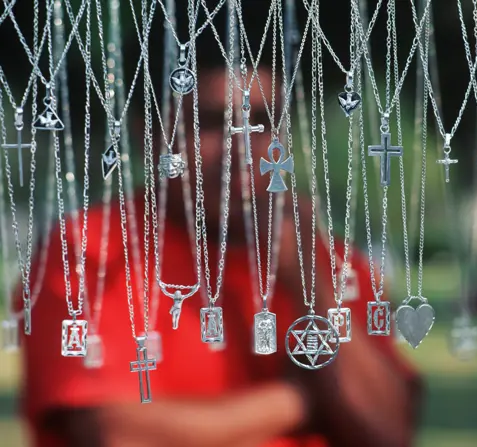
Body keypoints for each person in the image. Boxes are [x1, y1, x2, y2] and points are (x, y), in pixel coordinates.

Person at [17, 5, 422, 447]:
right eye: (211, 123)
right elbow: (115, 434)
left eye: (263, 122)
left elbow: (388, 431)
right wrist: (303, 398)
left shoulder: (333, 261)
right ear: (148, 135)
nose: (241, 150)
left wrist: (310, 287)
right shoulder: (88, 252)